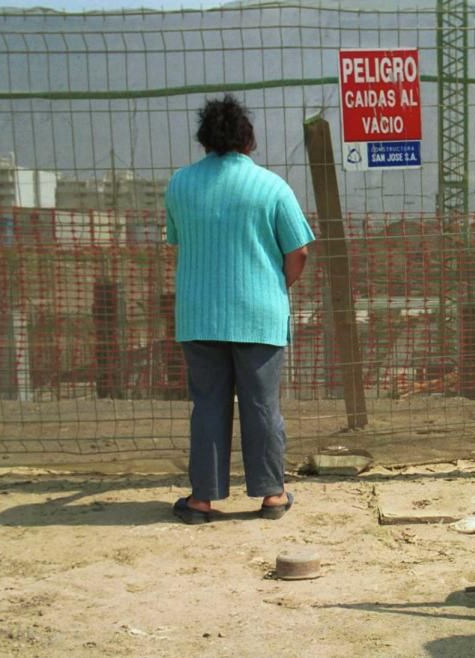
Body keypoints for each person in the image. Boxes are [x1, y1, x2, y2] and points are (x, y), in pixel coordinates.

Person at [165, 94, 315, 524]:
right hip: (259, 315)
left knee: (208, 404)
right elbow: (299, 251)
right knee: (262, 405)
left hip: (198, 314)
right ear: (248, 139)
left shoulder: (180, 184)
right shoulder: (272, 187)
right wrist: (274, 285)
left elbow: (176, 239)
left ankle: (201, 501)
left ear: (204, 139)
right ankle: (271, 495)